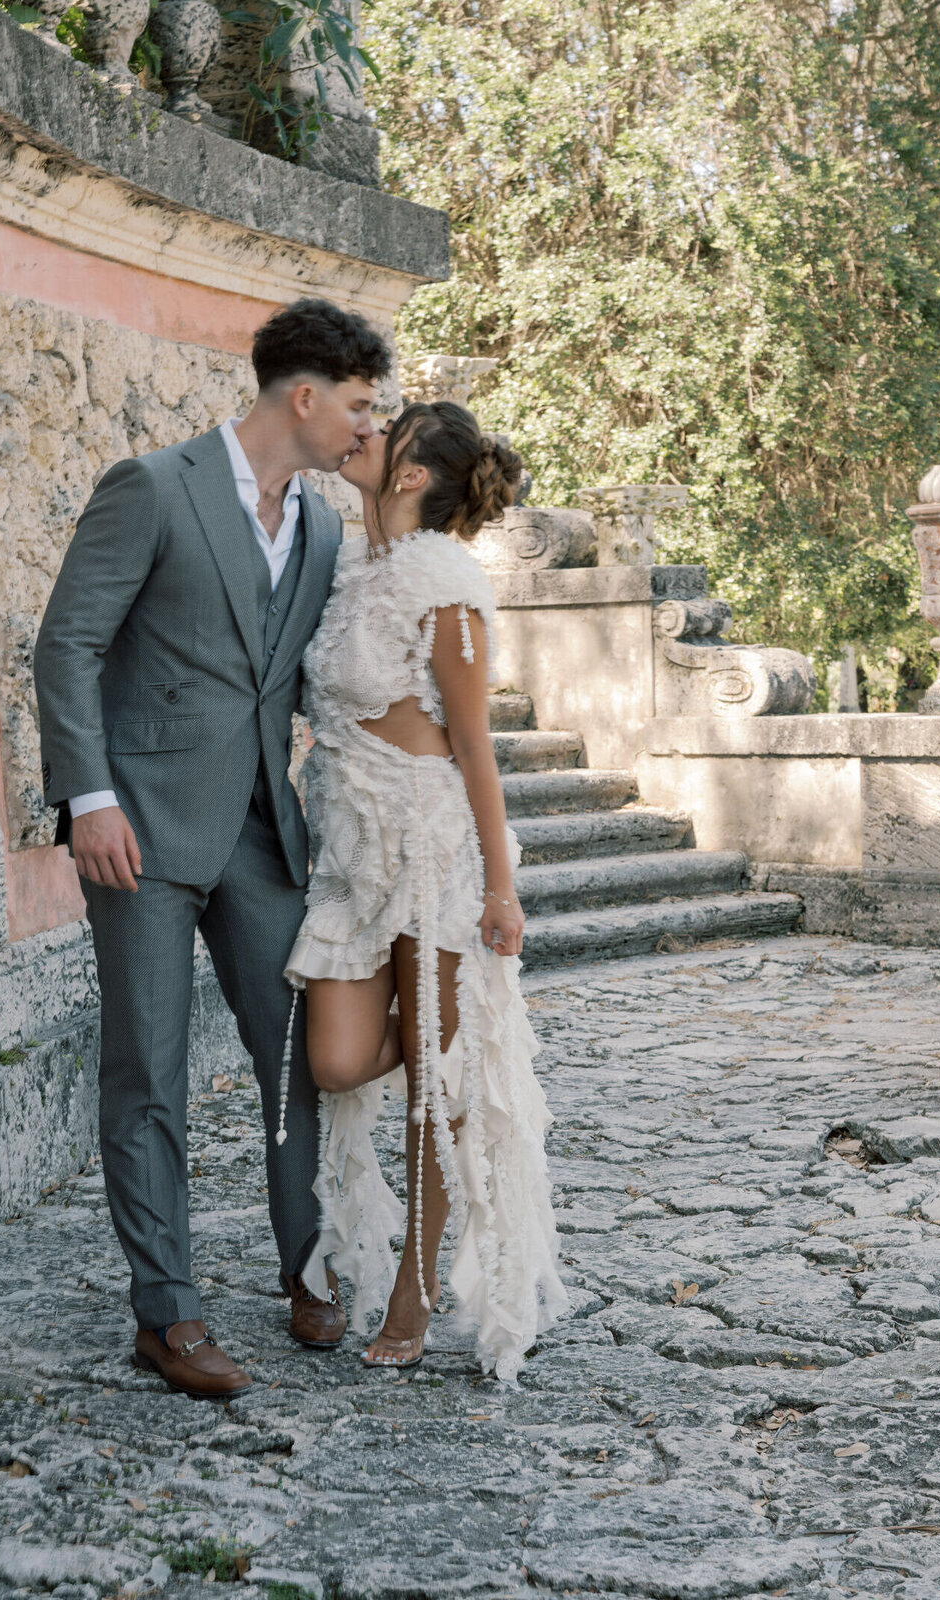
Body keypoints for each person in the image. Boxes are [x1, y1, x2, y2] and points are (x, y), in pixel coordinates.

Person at [33, 298, 389, 1399]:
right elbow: (69, 644)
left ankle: (309, 1266)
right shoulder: (153, 486)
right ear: (305, 395)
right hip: (135, 827)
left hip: (261, 831)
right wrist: (90, 798)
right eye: (360, 406)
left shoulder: (325, 526)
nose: (365, 429)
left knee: (301, 1051)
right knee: (148, 1066)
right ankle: (168, 1312)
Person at [282, 401, 567, 1381]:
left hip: (432, 845)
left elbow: (477, 747)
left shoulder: (449, 582)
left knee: (430, 1099)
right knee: (339, 1058)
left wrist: (501, 887)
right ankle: (451, 1029)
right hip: (352, 857)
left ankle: (415, 1286)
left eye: (386, 427)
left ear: (409, 474)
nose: (364, 430)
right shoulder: (353, 568)